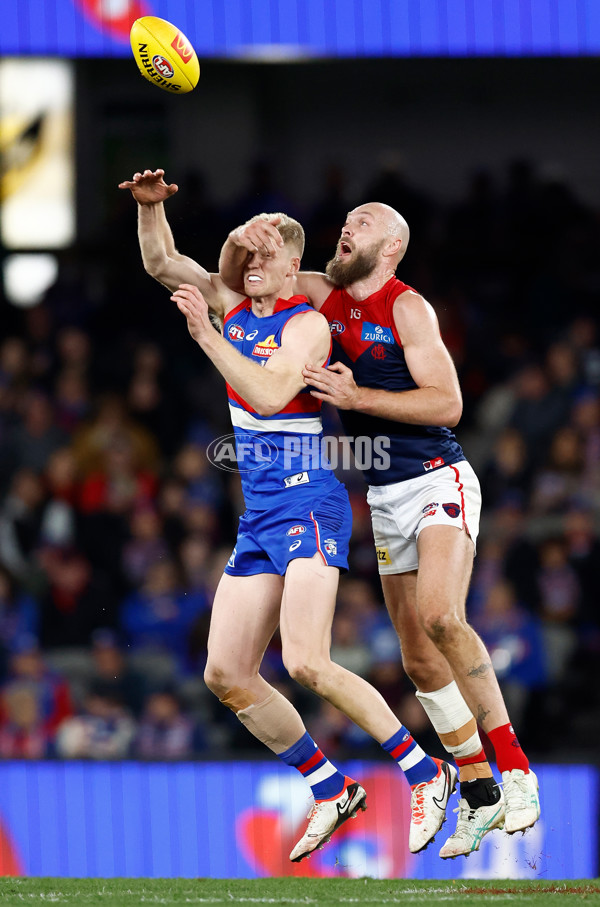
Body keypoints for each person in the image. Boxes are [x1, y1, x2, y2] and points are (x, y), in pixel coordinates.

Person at [119, 169, 457, 862]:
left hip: (310, 497)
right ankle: (330, 786)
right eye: (244, 251)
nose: (248, 261)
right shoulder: (230, 301)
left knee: (306, 659)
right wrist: (151, 211)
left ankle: (426, 770)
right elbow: (159, 261)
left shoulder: (305, 326)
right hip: (262, 511)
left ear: (288, 265)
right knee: (225, 672)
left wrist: (206, 338)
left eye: (263, 253)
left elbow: (271, 396)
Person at [219, 202, 541, 859]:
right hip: (384, 492)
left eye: (363, 223)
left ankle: (514, 768)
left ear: (390, 247)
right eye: (347, 221)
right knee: (418, 656)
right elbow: (245, 276)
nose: (348, 227)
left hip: (435, 476)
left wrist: (358, 397)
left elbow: (448, 402)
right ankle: (476, 790)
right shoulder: (322, 292)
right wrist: (239, 240)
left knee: (441, 616)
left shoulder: (407, 307)